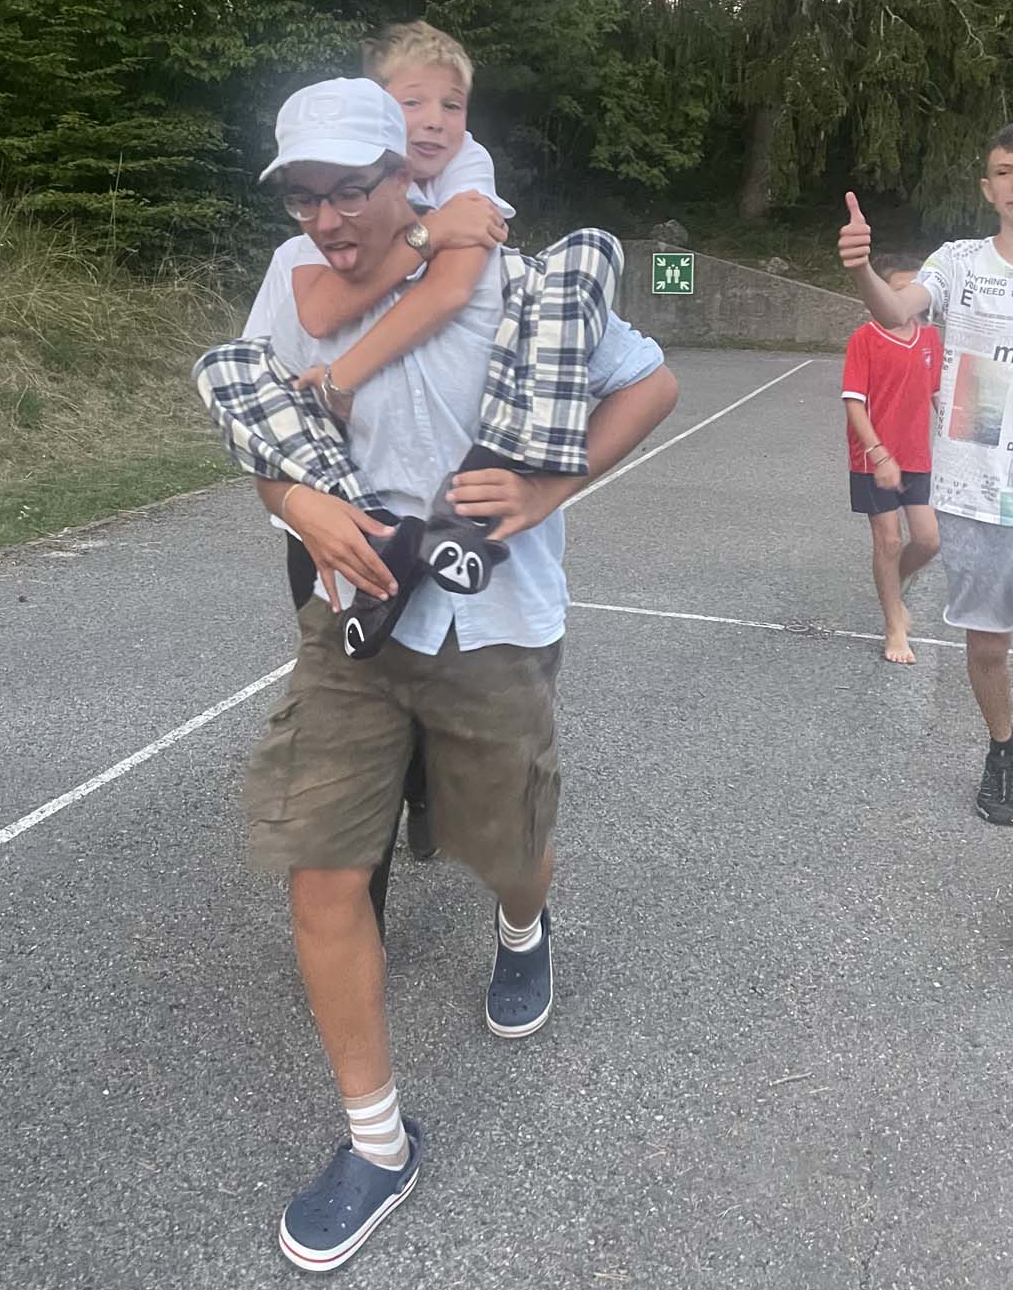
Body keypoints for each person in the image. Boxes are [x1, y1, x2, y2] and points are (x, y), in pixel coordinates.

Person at [205, 78, 678, 1271]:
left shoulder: (516, 282)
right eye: (303, 196)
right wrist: (298, 502)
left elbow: (652, 380)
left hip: (494, 626)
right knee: (322, 872)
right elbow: (268, 438)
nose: (326, 219)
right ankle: (377, 1143)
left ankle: (523, 922)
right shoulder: (291, 282)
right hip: (353, 631)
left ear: (404, 178)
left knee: (503, 846)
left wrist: (550, 485)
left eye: (347, 191)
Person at [243, 23, 510, 874]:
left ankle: (427, 789)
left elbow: (455, 286)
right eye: (411, 102)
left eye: (450, 104)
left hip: (428, 520)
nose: (433, 120)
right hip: (326, 527)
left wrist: (430, 243)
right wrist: (426, 240)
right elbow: (309, 323)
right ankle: (366, 867)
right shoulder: (305, 247)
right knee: (349, 700)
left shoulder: (467, 176)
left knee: (428, 690)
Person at [838, 121, 1013, 946]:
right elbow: (897, 309)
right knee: (987, 655)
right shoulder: (958, 264)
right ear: (986, 186)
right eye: (1004, 170)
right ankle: (1000, 746)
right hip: (971, 497)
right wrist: (862, 270)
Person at [841, 255, 943, 664]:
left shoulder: (930, 337)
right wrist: (879, 453)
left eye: (915, 289)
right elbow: (854, 403)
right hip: (874, 458)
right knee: (889, 540)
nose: (909, 298)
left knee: (929, 540)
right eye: (899, 290)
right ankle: (893, 625)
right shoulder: (864, 338)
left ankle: (890, 587)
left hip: (917, 454)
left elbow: (937, 394)